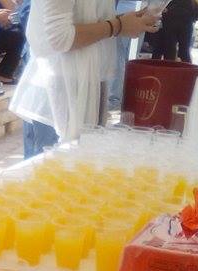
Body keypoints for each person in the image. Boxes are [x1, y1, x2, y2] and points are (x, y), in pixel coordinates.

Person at [9, 0, 158, 158]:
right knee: (54, 166)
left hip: (87, 78)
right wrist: (118, 25)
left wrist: (126, 21)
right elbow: (60, 38)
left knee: (82, 159)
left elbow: (84, 17)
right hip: (61, 86)